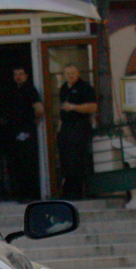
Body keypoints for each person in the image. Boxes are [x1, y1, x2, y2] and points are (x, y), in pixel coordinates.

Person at [56, 64, 98, 199]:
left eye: (72, 73)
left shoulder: (85, 88)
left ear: (78, 73)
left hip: (80, 127)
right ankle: (69, 192)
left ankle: (83, 192)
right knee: (66, 161)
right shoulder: (63, 89)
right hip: (66, 129)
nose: (70, 76)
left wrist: (74, 107)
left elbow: (92, 107)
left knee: (79, 160)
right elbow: (62, 111)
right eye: (67, 73)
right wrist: (59, 129)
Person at [6, 66, 45, 201]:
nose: (18, 77)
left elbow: (39, 109)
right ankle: (20, 194)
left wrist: (33, 123)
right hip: (15, 131)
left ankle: (31, 194)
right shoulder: (13, 91)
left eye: (21, 74)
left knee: (28, 163)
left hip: (27, 131)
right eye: (16, 74)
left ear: (26, 76)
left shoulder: (30, 90)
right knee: (18, 163)